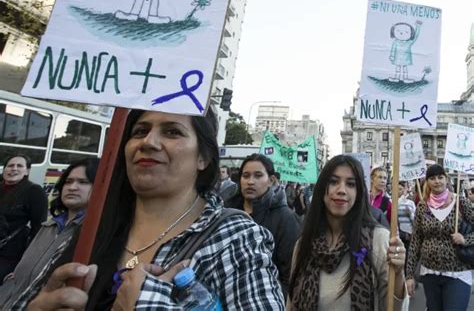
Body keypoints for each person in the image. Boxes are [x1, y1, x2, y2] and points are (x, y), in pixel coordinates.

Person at [26, 108, 285, 310]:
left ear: (203, 157)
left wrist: (150, 304)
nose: (148, 142)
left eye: (172, 132)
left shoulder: (236, 237)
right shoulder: (90, 228)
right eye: (139, 131)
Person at [287, 155, 408, 310]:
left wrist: (398, 275)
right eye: (333, 182)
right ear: (322, 187)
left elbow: (394, 307)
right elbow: (291, 303)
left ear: (359, 192)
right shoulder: (304, 244)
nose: (342, 190)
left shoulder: (377, 240)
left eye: (351, 184)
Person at [0, 157, 99, 308]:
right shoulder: (49, 226)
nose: (72, 187)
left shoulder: (92, 232)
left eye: (83, 182)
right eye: (68, 181)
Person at [225, 154, 301, 298]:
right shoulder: (226, 213)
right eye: (245, 176)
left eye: (258, 176)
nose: (250, 182)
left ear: (271, 181)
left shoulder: (286, 218)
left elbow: (290, 275)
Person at [406, 164, 474, 311]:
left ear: (446, 179)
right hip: (430, 273)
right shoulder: (423, 207)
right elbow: (415, 241)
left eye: (440, 177)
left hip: (458, 272)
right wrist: (409, 275)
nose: (437, 181)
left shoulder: (461, 202)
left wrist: (465, 240)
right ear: (427, 182)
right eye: (432, 178)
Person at [0, 155, 48, 282]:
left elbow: (38, 228)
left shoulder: (34, 192)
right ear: (4, 169)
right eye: (10, 166)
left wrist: (27, 262)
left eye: (19, 166)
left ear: (27, 171)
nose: (14, 169)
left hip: (9, 252)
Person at [397, 181, 415, 255]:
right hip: (397, 234)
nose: (400, 191)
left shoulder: (410, 203)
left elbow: (415, 220)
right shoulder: (391, 202)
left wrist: (410, 214)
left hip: (407, 235)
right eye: (398, 189)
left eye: (401, 189)